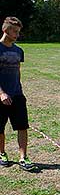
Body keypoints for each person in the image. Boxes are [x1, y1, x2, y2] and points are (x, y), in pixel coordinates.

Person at [0, 17, 35, 170]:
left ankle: (23, 157)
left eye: (18, 32)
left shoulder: (18, 51)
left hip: (17, 95)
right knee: (0, 128)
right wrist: (1, 93)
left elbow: (17, 71)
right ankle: (2, 153)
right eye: (14, 31)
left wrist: (18, 90)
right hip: (1, 95)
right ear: (5, 30)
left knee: (22, 126)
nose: (17, 34)